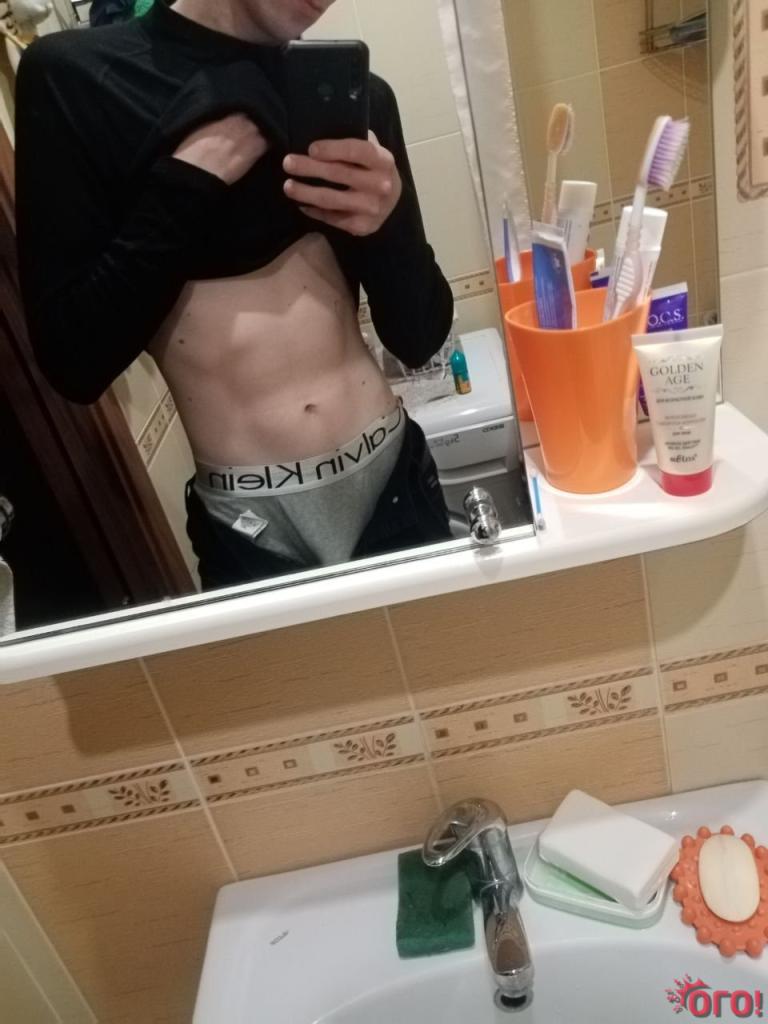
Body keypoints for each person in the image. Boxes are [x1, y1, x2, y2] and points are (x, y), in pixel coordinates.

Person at [14, 0, 455, 589]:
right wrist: (184, 185)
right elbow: (74, 364)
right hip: (248, 524)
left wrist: (389, 221)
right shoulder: (83, 80)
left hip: (391, 479)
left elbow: (420, 337)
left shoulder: (357, 100)